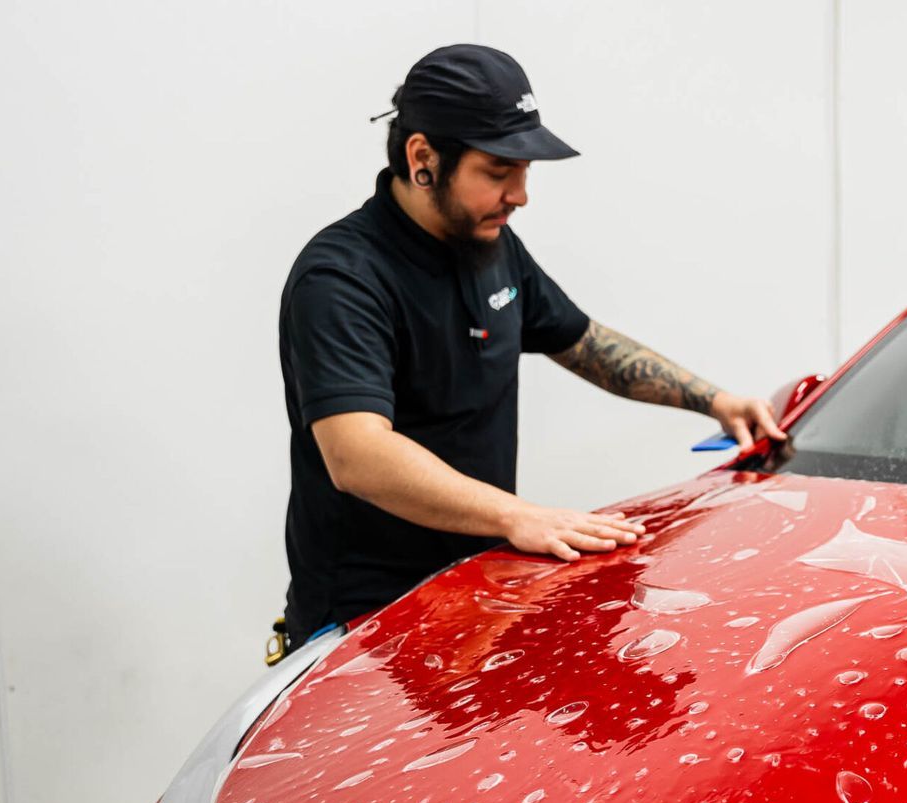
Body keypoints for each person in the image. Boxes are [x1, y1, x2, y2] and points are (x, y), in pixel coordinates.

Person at [275, 44, 783, 655]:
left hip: (469, 601)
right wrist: (519, 516)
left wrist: (715, 400)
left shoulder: (492, 246)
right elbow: (357, 454)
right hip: (362, 631)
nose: (520, 195)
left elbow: (582, 341)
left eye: (525, 172)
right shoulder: (341, 278)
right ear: (422, 158)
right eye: (498, 171)